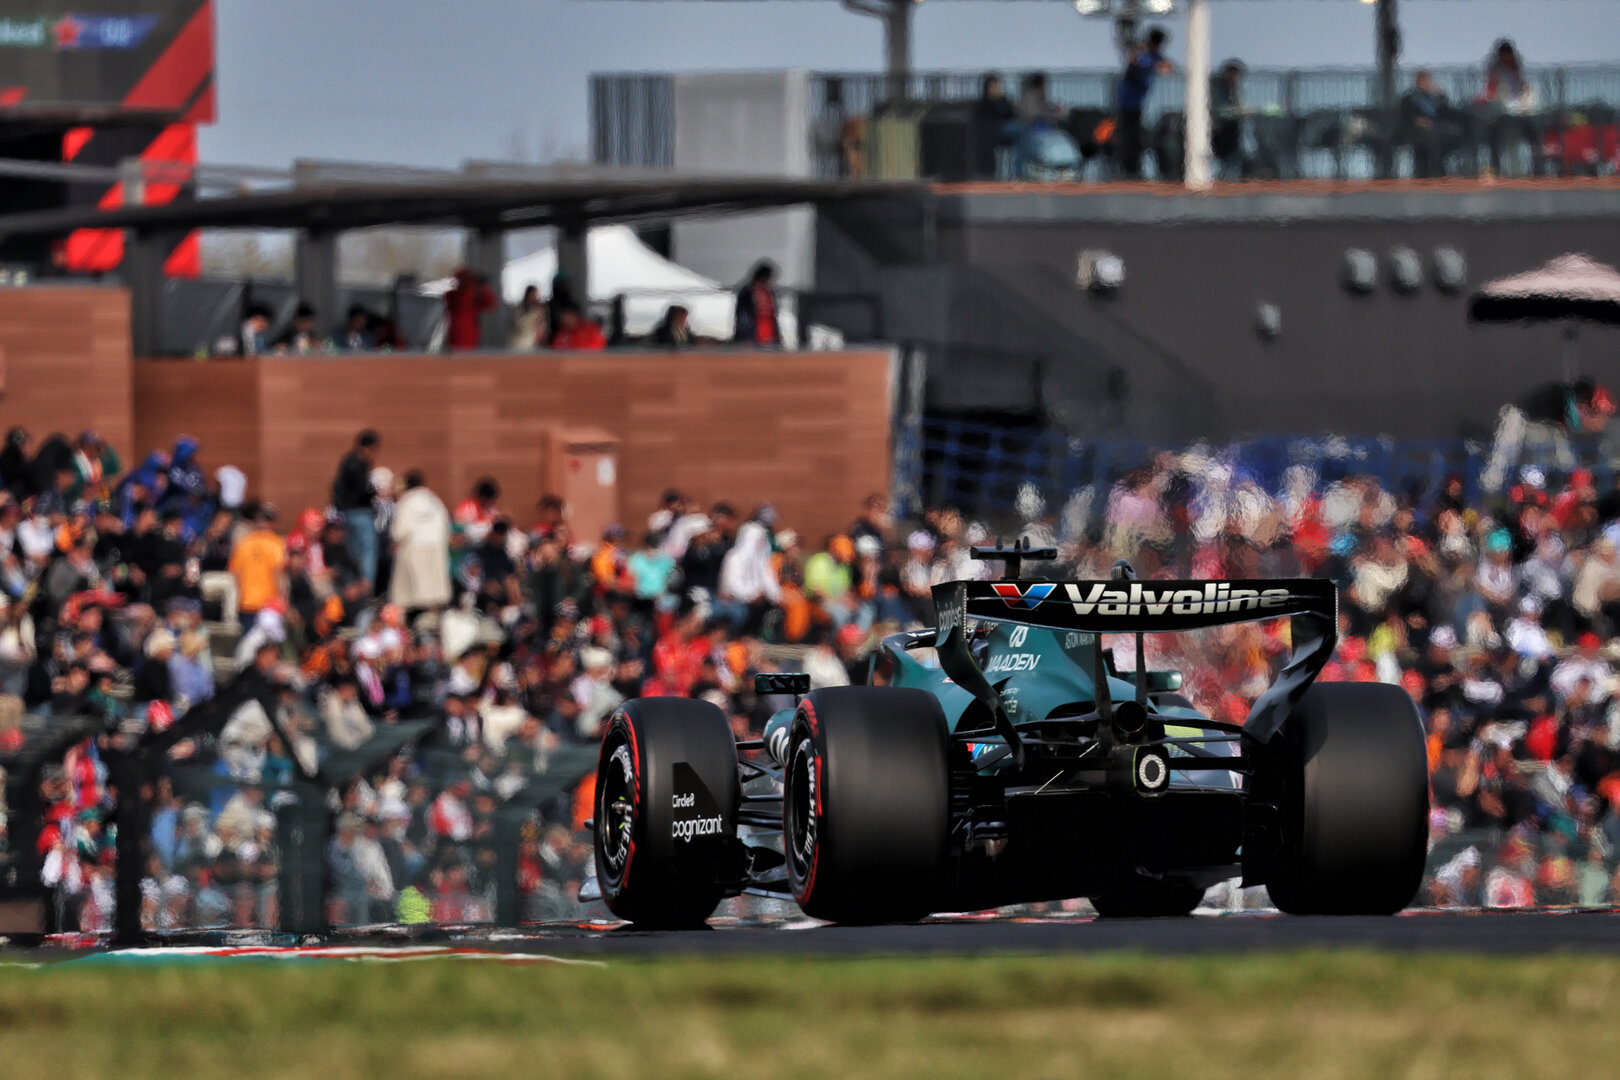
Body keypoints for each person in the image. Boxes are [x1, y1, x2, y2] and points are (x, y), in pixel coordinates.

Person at [390, 471, 452, 614]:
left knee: (405, 593)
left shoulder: (407, 501)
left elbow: (400, 531)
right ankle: (433, 618)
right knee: (434, 591)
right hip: (436, 548)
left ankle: (404, 625)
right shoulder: (435, 501)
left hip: (414, 549)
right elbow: (445, 526)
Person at [1116, 26, 1173, 179]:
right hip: (1127, 102)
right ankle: (1129, 168)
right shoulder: (1142, 53)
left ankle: (1134, 166)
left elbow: (1167, 67)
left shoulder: (1153, 55)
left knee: (1136, 136)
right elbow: (1136, 64)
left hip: (1137, 103)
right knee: (1129, 137)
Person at [332, 430, 380, 591]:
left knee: (353, 551)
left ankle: (352, 586)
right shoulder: (359, 462)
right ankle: (366, 587)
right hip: (360, 512)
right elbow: (362, 490)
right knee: (368, 551)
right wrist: (374, 492)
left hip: (347, 513)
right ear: (369, 447)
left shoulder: (347, 461)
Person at [228, 504, 287, 629]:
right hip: (269, 606)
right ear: (273, 523)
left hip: (247, 603)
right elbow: (279, 575)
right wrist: (282, 599)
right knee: (266, 646)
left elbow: (235, 573)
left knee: (248, 644)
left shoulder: (244, 543)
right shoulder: (277, 544)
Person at [1401, 70, 1459, 179]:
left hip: (1438, 128)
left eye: (1427, 80)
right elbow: (1407, 116)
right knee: (1431, 138)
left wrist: (1441, 95)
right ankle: (1434, 172)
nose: (1426, 83)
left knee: (1452, 138)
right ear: (1418, 82)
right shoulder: (1410, 98)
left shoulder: (1434, 98)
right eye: (1423, 81)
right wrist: (1418, 121)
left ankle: (1439, 170)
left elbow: (1446, 111)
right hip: (1418, 131)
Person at [975, 73, 1020, 179]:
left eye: (998, 86)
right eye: (994, 86)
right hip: (992, 131)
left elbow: (1012, 114)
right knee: (1018, 130)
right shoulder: (985, 103)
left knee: (1018, 131)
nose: (997, 88)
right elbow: (986, 118)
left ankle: (1015, 172)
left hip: (1008, 130)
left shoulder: (1004, 100)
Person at [443, 268, 496, 352]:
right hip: (455, 336)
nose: (460, 282)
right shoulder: (452, 295)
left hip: (470, 337)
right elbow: (459, 300)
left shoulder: (475, 295)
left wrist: (483, 287)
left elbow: (491, 305)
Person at [734, 261, 781, 347]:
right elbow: (743, 316)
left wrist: (777, 337)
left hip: (769, 334)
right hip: (753, 335)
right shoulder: (747, 292)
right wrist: (745, 336)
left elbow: (773, 315)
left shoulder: (769, 292)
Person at [509, 285, 548, 351]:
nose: (534, 298)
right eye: (532, 295)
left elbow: (542, 330)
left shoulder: (538, 310)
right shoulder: (518, 309)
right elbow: (520, 325)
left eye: (536, 296)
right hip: (518, 345)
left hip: (533, 346)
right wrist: (534, 313)